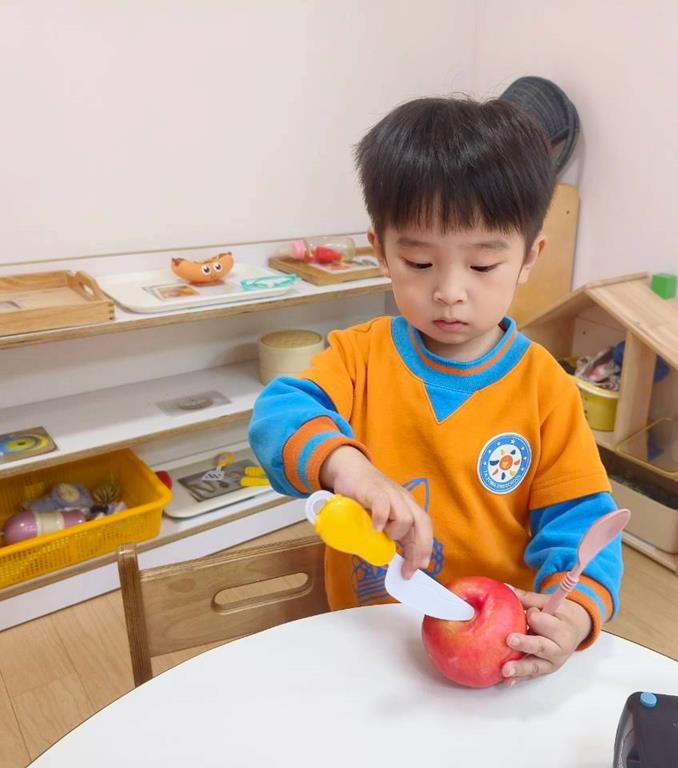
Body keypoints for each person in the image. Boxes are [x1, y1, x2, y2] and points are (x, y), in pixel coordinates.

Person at [250, 96, 623, 686]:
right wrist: (348, 467)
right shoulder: (358, 356)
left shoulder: (545, 387)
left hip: (493, 650)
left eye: (482, 267)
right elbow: (280, 413)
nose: (450, 291)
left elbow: (581, 519)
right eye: (420, 263)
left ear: (529, 257)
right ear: (381, 251)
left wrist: (573, 614)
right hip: (367, 633)